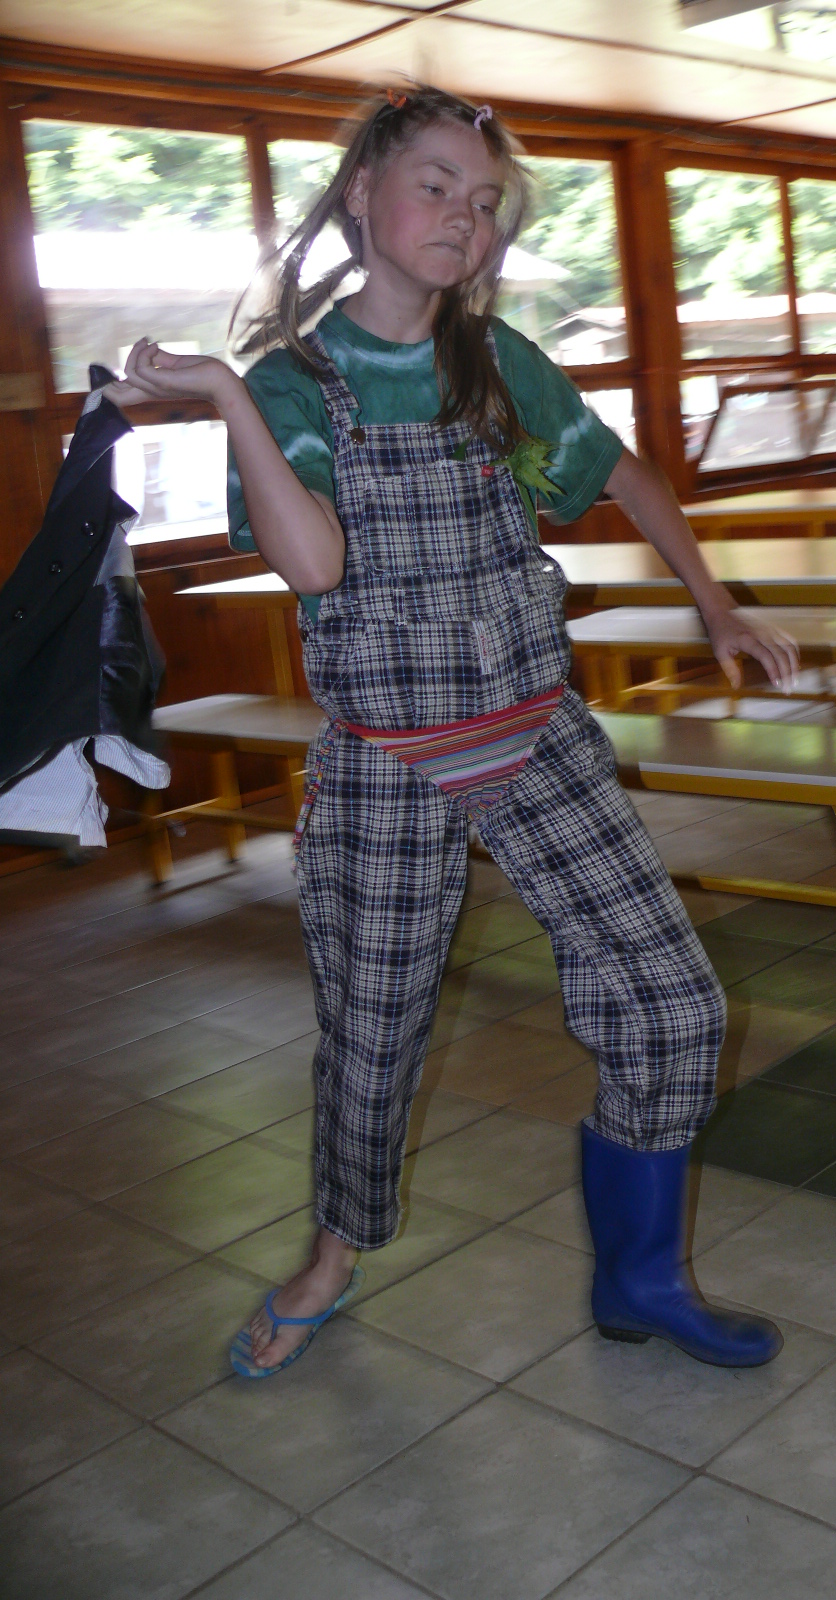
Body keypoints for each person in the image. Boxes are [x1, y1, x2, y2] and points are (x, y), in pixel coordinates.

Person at [107, 85, 799, 1379]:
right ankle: (329, 1259)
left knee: (674, 1006)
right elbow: (315, 566)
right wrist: (229, 402)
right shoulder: (293, 383)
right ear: (362, 192)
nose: (463, 219)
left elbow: (621, 471)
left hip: (537, 734)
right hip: (388, 758)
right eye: (436, 186)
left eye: (483, 204)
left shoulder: (498, 363)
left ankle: (642, 1279)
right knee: (373, 1036)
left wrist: (714, 601)